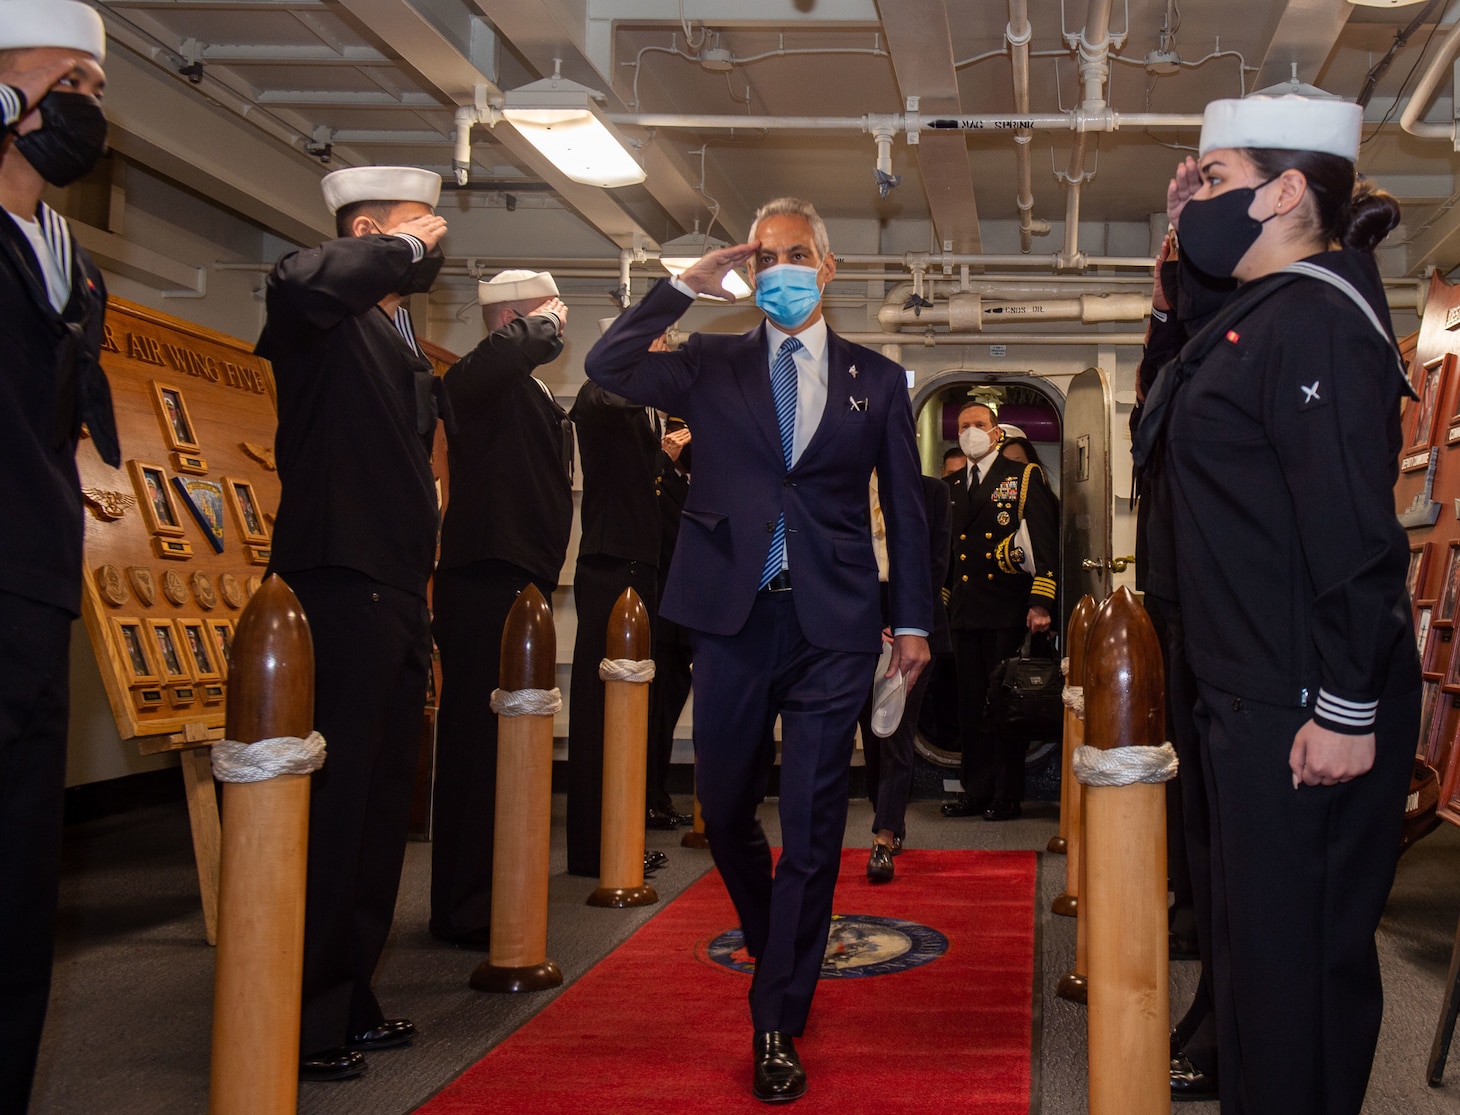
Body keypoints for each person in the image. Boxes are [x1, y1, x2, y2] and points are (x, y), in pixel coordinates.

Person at [585, 196, 932, 1104]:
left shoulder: (878, 380)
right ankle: (780, 930)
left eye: (795, 253)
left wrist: (914, 621)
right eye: (765, 254)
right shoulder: (709, 361)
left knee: (815, 823)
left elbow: (907, 506)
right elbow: (606, 362)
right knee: (725, 802)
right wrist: (680, 288)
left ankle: (775, 1014)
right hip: (731, 620)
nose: (779, 266)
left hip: (833, 625)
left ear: (827, 265)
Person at [1132, 95, 1420, 1115]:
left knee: (1297, 971)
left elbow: (1354, 536)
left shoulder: (1318, 323)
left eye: (1211, 178)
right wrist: (1186, 232)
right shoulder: (1257, 316)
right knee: (1254, 961)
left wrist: (1344, 709)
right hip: (1248, 686)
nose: (1195, 198)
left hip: (1305, 698)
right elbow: (1168, 414)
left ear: (1286, 190)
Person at [255, 164, 448, 1082]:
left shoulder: (394, 335)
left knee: (379, 811)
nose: (433, 245)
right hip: (338, 582)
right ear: (365, 228)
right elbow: (298, 277)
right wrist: (397, 247)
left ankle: (350, 993)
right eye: (417, 229)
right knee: (334, 813)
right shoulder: (318, 311)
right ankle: (300, 1013)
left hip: (398, 592)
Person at [0, 5, 116, 1108]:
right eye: (62, 79)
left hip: (35, 591)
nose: (83, 103)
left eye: (93, 84)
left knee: (22, 895)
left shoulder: (69, 262)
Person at [430, 268, 573, 948]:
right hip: (484, 580)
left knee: (510, 750)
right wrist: (533, 328)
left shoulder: (534, 389)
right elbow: (470, 377)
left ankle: (499, 886)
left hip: (521, 580)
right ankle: (462, 905)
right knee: (474, 751)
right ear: (514, 316)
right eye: (547, 311)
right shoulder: (481, 381)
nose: (560, 321)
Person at [566, 359, 665, 877]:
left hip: (639, 562)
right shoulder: (601, 392)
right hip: (610, 565)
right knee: (600, 709)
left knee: (632, 711)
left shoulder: (646, 412)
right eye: (653, 342)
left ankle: (622, 835)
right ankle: (592, 846)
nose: (662, 349)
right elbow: (597, 398)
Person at [941, 402, 1059, 821]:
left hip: (1008, 608)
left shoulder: (1022, 477)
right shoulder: (952, 485)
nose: (971, 431)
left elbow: (1044, 541)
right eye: (964, 426)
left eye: (979, 425)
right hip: (966, 611)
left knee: (1005, 706)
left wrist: (1041, 602)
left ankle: (1006, 795)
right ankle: (975, 790)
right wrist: (941, 608)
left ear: (996, 433)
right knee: (970, 706)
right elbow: (948, 557)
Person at [857, 472, 951, 882]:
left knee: (895, 727)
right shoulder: (844, 485)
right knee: (869, 729)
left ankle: (884, 833)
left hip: (913, 618)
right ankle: (889, 814)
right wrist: (868, 621)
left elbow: (936, 565)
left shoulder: (931, 491)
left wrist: (904, 623)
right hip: (858, 617)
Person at [646, 415, 695, 830]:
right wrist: (663, 459)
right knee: (653, 714)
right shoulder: (658, 480)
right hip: (662, 616)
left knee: (666, 713)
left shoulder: (693, 484)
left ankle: (657, 795)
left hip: (685, 623)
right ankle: (646, 796)